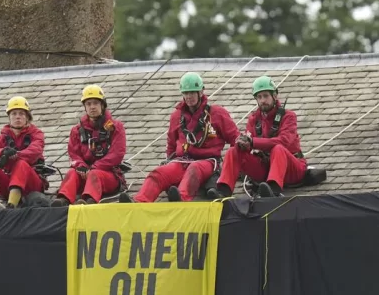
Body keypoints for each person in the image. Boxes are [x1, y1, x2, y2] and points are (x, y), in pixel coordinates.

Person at [120, 72, 239, 203]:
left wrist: (233, 169)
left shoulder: (217, 113)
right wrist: (168, 161)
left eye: (193, 92)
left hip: (208, 162)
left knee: (194, 169)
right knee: (159, 173)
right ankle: (139, 201)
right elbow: (171, 144)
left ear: (201, 92)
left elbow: (235, 139)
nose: (189, 97)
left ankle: (180, 198)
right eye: (186, 93)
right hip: (182, 160)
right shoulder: (176, 116)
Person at [208, 76, 307, 199]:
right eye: (259, 97)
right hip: (265, 167)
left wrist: (253, 142)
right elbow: (249, 144)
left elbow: (284, 141)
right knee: (233, 150)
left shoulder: (288, 116)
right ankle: (223, 190)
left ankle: (273, 189)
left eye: (266, 96)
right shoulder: (254, 119)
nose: (262, 100)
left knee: (278, 148)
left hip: (292, 168)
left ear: (274, 96)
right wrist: (243, 144)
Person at [51, 84, 127, 206]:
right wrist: (81, 166)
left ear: (102, 105)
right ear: (85, 107)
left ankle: (89, 200)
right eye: (88, 104)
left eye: (96, 103)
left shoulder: (116, 127)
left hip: (109, 176)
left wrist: (94, 167)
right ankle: (63, 200)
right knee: (71, 173)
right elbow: (73, 154)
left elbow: (117, 155)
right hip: (85, 174)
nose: (92, 107)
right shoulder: (76, 131)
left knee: (94, 174)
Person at [0, 96, 46, 209]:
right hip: (9, 183)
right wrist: (3, 152)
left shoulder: (36, 134)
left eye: (21, 114)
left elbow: (35, 151)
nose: (17, 117)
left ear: (27, 117)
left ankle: (12, 205)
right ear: (9, 117)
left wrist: (16, 155)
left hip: (31, 184)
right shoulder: (1, 138)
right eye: (14, 114)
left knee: (21, 164)